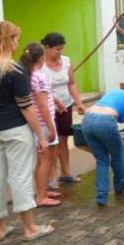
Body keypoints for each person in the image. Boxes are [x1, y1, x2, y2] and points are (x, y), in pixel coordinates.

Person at [0, 21, 53, 242]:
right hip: (15, 130)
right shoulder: (14, 69)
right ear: (8, 40)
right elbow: (26, 106)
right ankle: (30, 228)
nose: (18, 43)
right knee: (20, 176)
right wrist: (41, 135)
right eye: (16, 38)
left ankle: (0, 228)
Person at [81, 78, 124, 206]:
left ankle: (101, 196)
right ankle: (120, 186)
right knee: (117, 155)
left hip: (87, 120)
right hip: (105, 121)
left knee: (102, 160)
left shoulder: (114, 92)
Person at [41, 32, 86, 187]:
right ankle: (52, 175)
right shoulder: (40, 65)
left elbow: (72, 84)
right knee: (52, 141)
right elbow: (40, 89)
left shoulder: (66, 61)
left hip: (66, 105)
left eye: (62, 49)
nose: (60, 53)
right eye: (57, 49)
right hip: (47, 107)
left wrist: (79, 102)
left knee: (64, 139)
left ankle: (66, 172)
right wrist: (54, 101)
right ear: (47, 47)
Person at [20, 42, 61, 207]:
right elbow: (43, 105)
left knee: (42, 160)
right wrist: (51, 127)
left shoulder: (26, 74)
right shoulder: (39, 76)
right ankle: (41, 197)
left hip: (36, 123)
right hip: (44, 124)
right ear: (42, 58)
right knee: (46, 160)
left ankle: (41, 191)